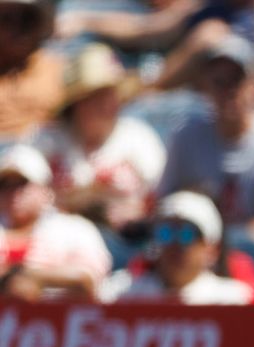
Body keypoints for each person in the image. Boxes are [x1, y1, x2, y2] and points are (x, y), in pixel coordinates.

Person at [157, 35, 254, 241]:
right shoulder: (186, 133)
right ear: (206, 87)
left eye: (236, 81)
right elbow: (166, 203)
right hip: (197, 253)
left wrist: (225, 244)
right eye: (219, 82)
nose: (228, 91)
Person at [32, 43, 165, 236]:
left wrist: (139, 211)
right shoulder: (48, 140)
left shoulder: (139, 138)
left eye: (112, 94)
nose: (108, 104)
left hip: (125, 242)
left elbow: (160, 201)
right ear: (76, 103)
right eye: (97, 96)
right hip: (58, 241)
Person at [56, 0, 254, 94]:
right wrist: (84, 19)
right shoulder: (212, 7)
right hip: (202, 95)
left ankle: (145, 90)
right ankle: (145, 89)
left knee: (211, 34)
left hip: (247, 100)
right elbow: (145, 29)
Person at [0, 144, 111, 302]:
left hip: (61, 322)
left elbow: (87, 280)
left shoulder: (74, 229)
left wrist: (25, 275)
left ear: (45, 188)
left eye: (21, 184)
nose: (13, 194)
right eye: (5, 186)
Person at [103, 190, 254, 304]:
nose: (174, 245)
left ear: (212, 249)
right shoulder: (121, 293)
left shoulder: (231, 300)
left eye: (186, 235)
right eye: (165, 233)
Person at [0, 0, 62, 139]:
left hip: (47, 151)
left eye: (27, 19)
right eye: (7, 19)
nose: (17, 28)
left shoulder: (58, 68)